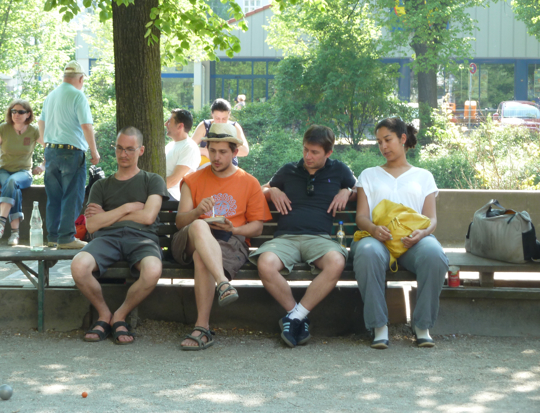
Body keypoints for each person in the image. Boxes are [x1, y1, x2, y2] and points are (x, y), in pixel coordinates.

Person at [249, 125, 357, 348]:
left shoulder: (339, 170)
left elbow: (359, 190)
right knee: (265, 263)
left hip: (319, 239)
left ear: (328, 153)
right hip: (285, 239)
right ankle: (297, 317)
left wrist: (347, 191)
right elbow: (260, 191)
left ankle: (294, 318)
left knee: (337, 262)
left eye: (315, 152)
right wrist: (272, 190)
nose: (308, 156)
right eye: (305, 150)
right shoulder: (289, 170)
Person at [350, 117, 448, 350]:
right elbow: (361, 217)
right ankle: (379, 326)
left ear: (403, 138)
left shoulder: (424, 176)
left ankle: (422, 326)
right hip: (378, 239)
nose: (383, 146)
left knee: (434, 256)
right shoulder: (369, 175)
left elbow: (432, 219)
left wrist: (422, 234)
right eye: (379, 142)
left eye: (388, 140)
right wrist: (373, 229)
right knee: (366, 253)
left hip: (413, 241)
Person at [172, 123, 271, 351]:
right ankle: (223, 283)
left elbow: (257, 228)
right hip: (187, 239)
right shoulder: (193, 179)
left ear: (235, 152)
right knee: (199, 225)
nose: (216, 157)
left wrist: (234, 229)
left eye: (223, 152)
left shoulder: (249, 182)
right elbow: (180, 222)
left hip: (229, 240)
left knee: (202, 257)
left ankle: (202, 328)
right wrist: (197, 212)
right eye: (212, 151)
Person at [70, 126, 168, 344]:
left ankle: (120, 316)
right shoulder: (100, 186)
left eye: (130, 149)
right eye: (120, 148)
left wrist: (108, 215)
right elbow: (92, 225)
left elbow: (148, 217)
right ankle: (104, 314)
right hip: (106, 240)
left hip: (142, 239)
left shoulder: (152, 180)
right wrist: (127, 208)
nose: (124, 154)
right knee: (78, 266)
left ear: (141, 150)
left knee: (153, 270)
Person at [38, 60, 100, 249]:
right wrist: (94, 151)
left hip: (51, 151)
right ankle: (66, 238)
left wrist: (46, 144)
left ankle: (53, 237)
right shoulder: (78, 96)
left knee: (54, 197)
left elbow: (41, 123)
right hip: (71, 152)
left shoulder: (51, 96)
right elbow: (86, 126)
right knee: (72, 196)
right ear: (80, 79)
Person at [0, 99, 45, 245]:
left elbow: (49, 147)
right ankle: (15, 234)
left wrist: (43, 166)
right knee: (14, 189)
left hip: (23, 172)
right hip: (3, 170)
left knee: (13, 182)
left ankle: (1, 222)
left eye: (20, 112)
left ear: (28, 114)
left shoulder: (34, 130)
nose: (16, 114)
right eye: (13, 111)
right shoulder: (3, 128)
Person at [191, 98, 249, 169]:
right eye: (217, 118)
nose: (221, 122)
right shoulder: (204, 126)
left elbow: (245, 151)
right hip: (207, 166)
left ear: (229, 115)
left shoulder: (234, 127)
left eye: (224, 118)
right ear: (212, 114)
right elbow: (188, 148)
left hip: (229, 167)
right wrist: (204, 151)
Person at [164, 109, 200, 200]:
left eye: (169, 121)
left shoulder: (189, 147)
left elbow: (173, 180)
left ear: (180, 126)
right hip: (162, 193)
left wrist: (150, 189)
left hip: (172, 196)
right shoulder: (170, 145)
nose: (165, 124)